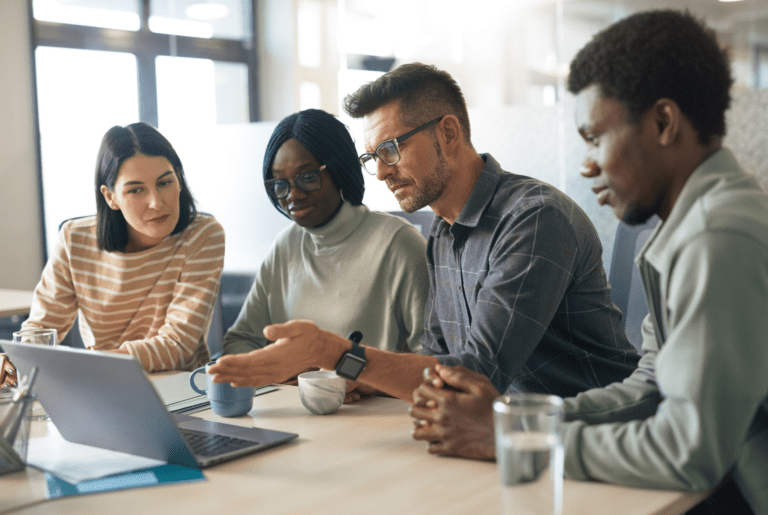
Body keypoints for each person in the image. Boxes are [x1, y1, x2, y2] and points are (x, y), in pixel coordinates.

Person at [409, 10, 767, 514]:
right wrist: (514, 420)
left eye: (595, 137)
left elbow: (689, 452)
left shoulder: (717, 235)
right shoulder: (690, 225)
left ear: (663, 123)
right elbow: (651, 386)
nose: (587, 164)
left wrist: (506, 439)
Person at [208, 64, 638, 403]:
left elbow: (476, 374)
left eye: (391, 150)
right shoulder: (444, 233)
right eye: (372, 156)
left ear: (448, 133)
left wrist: (333, 353)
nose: (379, 173)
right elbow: (434, 361)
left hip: (597, 442)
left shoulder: (532, 219)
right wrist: (360, 379)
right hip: (501, 436)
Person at [220, 109, 429, 399]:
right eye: (280, 184)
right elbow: (241, 342)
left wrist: (361, 380)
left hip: (377, 421)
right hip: (299, 417)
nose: (292, 194)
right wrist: (290, 376)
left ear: (339, 169)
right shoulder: (285, 246)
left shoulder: (399, 244)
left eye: (306, 178)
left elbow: (435, 365)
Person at [1, 122, 224, 387]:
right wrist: (15, 360)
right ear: (110, 197)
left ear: (179, 179)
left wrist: (99, 362)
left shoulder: (203, 235)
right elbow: (40, 329)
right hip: (104, 389)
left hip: (182, 390)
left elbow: (178, 344)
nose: (157, 201)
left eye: (165, 182)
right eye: (136, 189)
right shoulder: (74, 240)